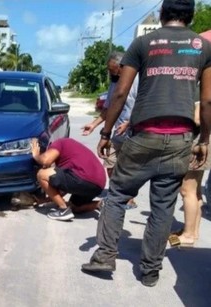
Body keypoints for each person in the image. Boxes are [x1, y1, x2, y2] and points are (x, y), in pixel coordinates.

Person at [81, 0, 211, 287]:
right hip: (181, 140)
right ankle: (151, 270)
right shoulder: (203, 48)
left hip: (143, 137)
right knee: (163, 207)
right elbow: (208, 100)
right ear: (190, 16)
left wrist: (106, 133)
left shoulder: (143, 43)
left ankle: (104, 256)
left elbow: (121, 92)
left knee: (116, 195)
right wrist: (204, 139)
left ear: (163, 14)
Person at [82, 52, 139, 209]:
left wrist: (129, 122)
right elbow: (108, 109)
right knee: (110, 163)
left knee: (128, 168)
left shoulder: (138, 81)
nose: (110, 73)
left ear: (122, 67)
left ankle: (129, 198)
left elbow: (143, 106)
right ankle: (115, 193)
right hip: (116, 133)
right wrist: (93, 124)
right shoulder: (114, 83)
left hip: (134, 132)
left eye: (112, 70)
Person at [169, 88, 211, 247]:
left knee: (187, 190)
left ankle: (188, 235)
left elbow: (198, 118)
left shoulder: (202, 85)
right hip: (203, 141)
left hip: (197, 142)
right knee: (195, 191)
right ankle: (193, 231)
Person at [31, 138, 106, 221]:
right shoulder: (69, 153)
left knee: (42, 174)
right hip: (98, 185)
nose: (45, 167)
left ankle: (63, 210)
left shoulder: (58, 143)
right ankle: (101, 204)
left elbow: (46, 160)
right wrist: (46, 200)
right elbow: (65, 187)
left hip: (83, 178)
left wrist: (36, 156)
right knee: (74, 207)